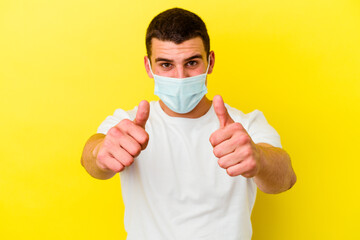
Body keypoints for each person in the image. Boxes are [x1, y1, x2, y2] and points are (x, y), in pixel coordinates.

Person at [81, 7, 296, 240]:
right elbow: (92, 159)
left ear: (210, 61)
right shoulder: (128, 126)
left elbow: (285, 178)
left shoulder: (245, 125)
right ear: (148, 67)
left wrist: (259, 159)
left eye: (192, 63)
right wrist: (99, 152)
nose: (180, 77)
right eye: (166, 65)